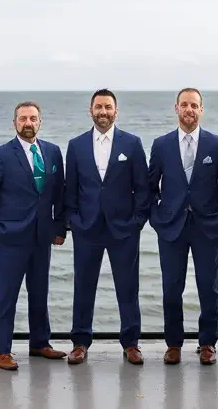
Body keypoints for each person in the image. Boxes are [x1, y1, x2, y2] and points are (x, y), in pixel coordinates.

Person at [0, 101, 68, 370]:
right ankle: (1, 349)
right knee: (5, 295)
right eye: (23, 118)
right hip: (11, 237)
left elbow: (58, 194)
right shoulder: (1, 155)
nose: (28, 123)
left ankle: (40, 343)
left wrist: (60, 227)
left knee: (40, 292)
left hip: (42, 236)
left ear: (40, 122)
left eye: (33, 118)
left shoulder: (52, 152)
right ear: (14, 123)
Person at [147, 88, 218, 365]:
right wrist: (156, 219)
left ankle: (207, 342)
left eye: (194, 105)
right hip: (171, 228)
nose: (189, 109)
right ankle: (173, 344)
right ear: (176, 108)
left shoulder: (216, 144)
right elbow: (150, 187)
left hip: (207, 227)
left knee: (208, 287)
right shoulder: (161, 145)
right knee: (172, 288)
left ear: (201, 110)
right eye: (184, 104)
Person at [64, 89, 150, 365]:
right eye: (98, 107)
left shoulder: (132, 144)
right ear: (90, 111)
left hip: (123, 229)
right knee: (83, 286)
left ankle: (131, 343)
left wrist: (137, 221)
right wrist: (74, 221)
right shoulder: (76, 145)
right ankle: (80, 342)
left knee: (128, 287)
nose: (103, 111)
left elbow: (143, 187)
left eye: (108, 107)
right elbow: (71, 190)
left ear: (116, 111)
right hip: (86, 227)